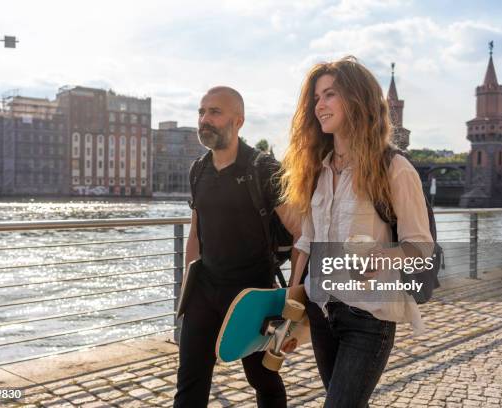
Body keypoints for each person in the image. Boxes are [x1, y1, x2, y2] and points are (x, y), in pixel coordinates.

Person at [280, 56, 433, 407]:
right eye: (316, 97)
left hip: (369, 315)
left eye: (330, 94)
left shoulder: (394, 168)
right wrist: (291, 308)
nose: (320, 105)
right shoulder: (315, 171)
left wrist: (386, 255)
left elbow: (421, 247)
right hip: (322, 311)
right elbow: (305, 243)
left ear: (357, 100)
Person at [174, 86, 299, 408]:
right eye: (201, 112)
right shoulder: (198, 170)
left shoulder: (264, 169)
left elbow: (302, 234)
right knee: (189, 381)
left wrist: (293, 302)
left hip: (251, 296)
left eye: (214, 112)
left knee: (263, 379)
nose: (205, 119)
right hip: (204, 291)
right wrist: (186, 293)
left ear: (238, 121)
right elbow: (196, 235)